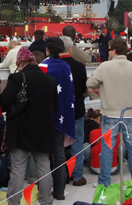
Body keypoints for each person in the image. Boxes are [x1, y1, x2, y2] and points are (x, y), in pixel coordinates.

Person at [0, 47, 59, 205]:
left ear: (20, 62)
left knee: (18, 168)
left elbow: (3, 103)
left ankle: (14, 202)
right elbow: (56, 106)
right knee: (44, 167)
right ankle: (46, 200)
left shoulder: (17, 78)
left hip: (20, 130)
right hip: (43, 130)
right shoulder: (49, 80)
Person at [87, 37, 132, 186]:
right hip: (130, 113)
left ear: (114, 51)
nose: (108, 52)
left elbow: (90, 83)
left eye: (109, 50)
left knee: (107, 149)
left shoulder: (105, 66)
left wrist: (98, 88)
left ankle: (104, 181)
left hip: (110, 113)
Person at [41, 37, 75, 200]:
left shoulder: (43, 66)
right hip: (61, 114)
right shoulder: (66, 67)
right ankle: (60, 190)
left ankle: (43, 188)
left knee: (41, 154)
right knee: (59, 153)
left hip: (45, 115)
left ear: (47, 50)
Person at [59, 36, 87, 186]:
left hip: (58, 112)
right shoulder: (80, 67)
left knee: (58, 146)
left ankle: (60, 177)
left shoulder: (51, 66)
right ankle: (77, 176)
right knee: (77, 143)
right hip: (76, 110)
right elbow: (83, 89)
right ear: (71, 49)